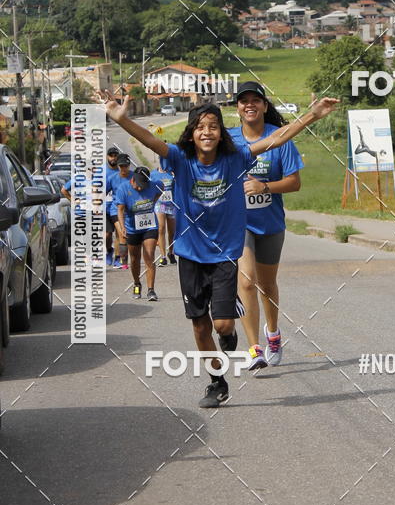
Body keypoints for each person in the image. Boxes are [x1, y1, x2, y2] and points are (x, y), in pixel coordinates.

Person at [97, 89, 339, 408]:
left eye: (213, 126)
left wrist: (313, 115)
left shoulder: (235, 158)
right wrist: (122, 119)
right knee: (200, 326)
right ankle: (216, 382)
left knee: (223, 325)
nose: (207, 132)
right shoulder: (179, 159)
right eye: (200, 126)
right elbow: (150, 141)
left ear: (221, 133)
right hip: (190, 254)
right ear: (191, 133)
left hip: (224, 252)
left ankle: (229, 331)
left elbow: (275, 140)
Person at [229, 81, 303, 371]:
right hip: (239, 222)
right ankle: (253, 348)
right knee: (246, 281)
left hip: (270, 222)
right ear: (237, 107)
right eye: (243, 100)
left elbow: (295, 183)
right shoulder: (228, 139)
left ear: (264, 105)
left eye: (255, 100)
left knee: (267, 284)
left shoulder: (279, 138)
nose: (250, 105)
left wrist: (265, 186)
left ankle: (273, 334)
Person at [115, 166, 163, 301]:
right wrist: (122, 227)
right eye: (139, 185)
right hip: (132, 228)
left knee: (149, 255)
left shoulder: (155, 185)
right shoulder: (123, 189)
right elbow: (120, 210)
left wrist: (153, 202)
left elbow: (161, 189)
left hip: (149, 226)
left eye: (144, 185)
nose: (141, 188)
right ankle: (136, 283)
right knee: (134, 258)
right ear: (133, 180)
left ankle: (151, 290)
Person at [109, 153, 133, 269]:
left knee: (131, 236)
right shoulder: (112, 179)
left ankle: (128, 257)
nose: (124, 168)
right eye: (121, 166)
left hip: (131, 211)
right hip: (116, 211)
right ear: (118, 166)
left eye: (126, 166)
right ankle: (124, 262)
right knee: (123, 234)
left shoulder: (134, 177)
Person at [152, 161, 177, 266]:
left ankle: (171, 253)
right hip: (159, 204)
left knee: (172, 232)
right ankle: (162, 257)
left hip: (171, 205)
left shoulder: (172, 173)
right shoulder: (153, 174)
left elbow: (177, 188)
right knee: (161, 228)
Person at [105, 145, 121, 265]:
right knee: (107, 235)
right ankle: (109, 250)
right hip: (104, 207)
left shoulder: (121, 171)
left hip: (118, 208)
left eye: (115, 156)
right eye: (111, 155)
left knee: (119, 234)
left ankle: (117, 257)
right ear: (107, 157)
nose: (113, 158)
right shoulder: (102, 171)